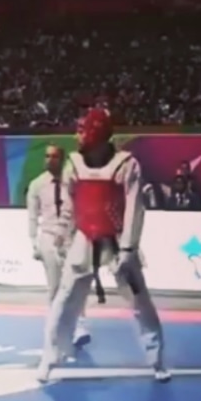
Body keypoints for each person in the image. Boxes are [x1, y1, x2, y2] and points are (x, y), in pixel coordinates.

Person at [36, 107, 169, 384]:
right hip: (85, 238)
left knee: (140, 301)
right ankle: (51, 354)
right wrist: (62, 235)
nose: (77, 136)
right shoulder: (74, 164)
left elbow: (134, 208)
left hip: (118, 241)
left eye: (82, 130)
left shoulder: (126, 164)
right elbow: (70, 206)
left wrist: (129, 248)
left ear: (95, 133)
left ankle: (156, 359)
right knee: (65, 299)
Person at [26, 145, 90, 348]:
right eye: (47, 156)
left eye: (54, 156)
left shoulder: (73, 182)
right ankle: (56, 326)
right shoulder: (37, 185)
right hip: (48, 237)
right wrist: (34, 242)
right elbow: (32, 215)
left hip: (72, 236)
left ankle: (79, 326)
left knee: (76, 284)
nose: (49, 160)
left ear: (62, 159)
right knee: (54, 286)